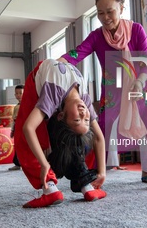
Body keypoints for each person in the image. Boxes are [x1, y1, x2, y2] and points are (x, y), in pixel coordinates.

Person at [58, 0, 147, 183]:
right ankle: (97, 170)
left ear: (121, 8)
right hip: (113, 90)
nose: (105, 17)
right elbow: (78, 53)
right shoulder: (97, 36)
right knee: (104, 125)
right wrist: (58, 62)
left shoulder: (136, 30)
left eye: (110, 11)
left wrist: (140, 82)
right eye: (100, 13)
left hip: (142, 84)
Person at [14, 59, 106, 208]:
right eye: (86, 120)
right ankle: (80, 186)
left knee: (24, 137)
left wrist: (44, 164)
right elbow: (99, 137)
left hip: (37, 82)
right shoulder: (85, 99)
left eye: (78, 119)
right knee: (29, 138)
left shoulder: (54, 91)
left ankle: (63, 187)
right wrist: (102, 172)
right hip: (50, 78)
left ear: (61, 115)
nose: (84, 114)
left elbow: (28, 127)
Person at [8, 84, 24, 171]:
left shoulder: (28, 104)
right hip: (18, 127)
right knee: (17, 145)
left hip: (25, 128)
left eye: (20, 93)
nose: (18, 95)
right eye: (16, 93)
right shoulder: (15, 107)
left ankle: (26, 163)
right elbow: (14, 120)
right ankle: (17, 163)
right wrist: (12, 130)